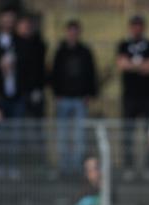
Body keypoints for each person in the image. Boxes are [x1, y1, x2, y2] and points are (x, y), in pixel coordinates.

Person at [117, 14, 149, 175]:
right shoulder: (123, 45)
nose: (136, 28)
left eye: (139, 25)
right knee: (128, 133)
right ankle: (128, 167)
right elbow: (121, 64)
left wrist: (133, 65)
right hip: (130, 97)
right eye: (134, 25)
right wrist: (143, 65)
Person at [51, 19, 97, 174]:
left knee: (79, 136)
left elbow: (91, 73)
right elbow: (54, 73)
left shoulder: (85, 51)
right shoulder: (60, 51)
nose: (72, 34)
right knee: (63, 135)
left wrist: (89, 94)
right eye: (70, 31)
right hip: (63, 98)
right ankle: (64, 167)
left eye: (75, 31)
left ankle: (77, 167)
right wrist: (56, 94)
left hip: (80, 99)